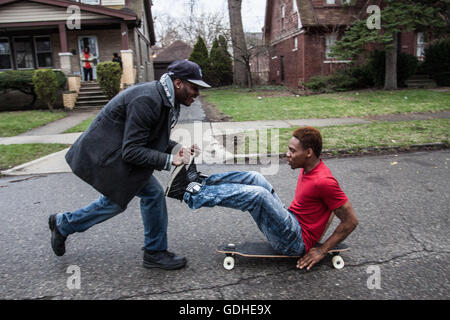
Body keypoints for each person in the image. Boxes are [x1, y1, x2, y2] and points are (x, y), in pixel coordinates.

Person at [48, 60, 211, 270]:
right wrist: (170, 160)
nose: (197, 93)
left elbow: (150, 137)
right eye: (194, 87)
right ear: (178, 83)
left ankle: (63, 224)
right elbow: (132, 150)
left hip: (117, 153)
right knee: (129, 199)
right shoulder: (148, 100)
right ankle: (154, 252)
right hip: (105, 156)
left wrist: (175, 149)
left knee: (134, 198)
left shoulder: (164, 98)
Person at [165, 127, 358, 270]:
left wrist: (321, 249)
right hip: (292, 222)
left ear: (309, 153)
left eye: (292, 151)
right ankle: (201, 182)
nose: (287, 154)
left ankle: (190, 193)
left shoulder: (324, 181)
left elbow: (350, 221)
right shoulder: (312, 169)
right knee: (255, 177)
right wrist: (319, 229)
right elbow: (332, 207)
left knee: (258, 196)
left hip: (293, 242)